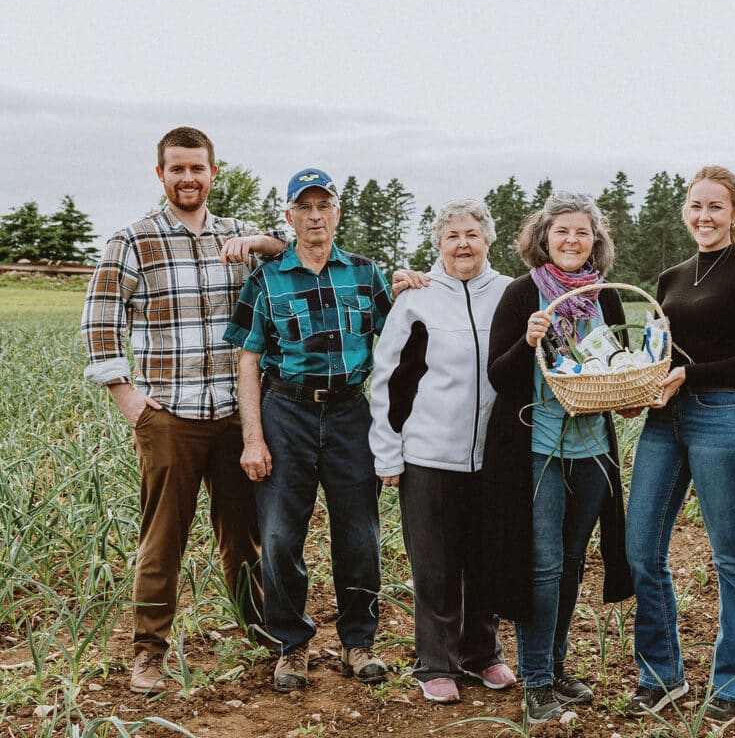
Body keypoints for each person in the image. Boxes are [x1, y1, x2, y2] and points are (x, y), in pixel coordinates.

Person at [81, 126, 286, 694]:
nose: (188, 178)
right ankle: (148, 651)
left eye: (198, 168)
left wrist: (262, 245)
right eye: (177, 169)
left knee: (242, 536)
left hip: (236, 416)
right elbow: (100, 321)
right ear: (161, 174)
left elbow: (292, 251)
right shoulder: (134, 241)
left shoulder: (238, 233)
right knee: (162, 538)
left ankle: (260, 632)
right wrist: (129, 400)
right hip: (169, 413)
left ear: (213, 172)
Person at [623, 166, 735, 721]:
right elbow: (658, 352)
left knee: (731, 557)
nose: (704, 217)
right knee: (640, 548)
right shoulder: (669, 277)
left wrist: (692, 376)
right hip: (664, 420)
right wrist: (638, 386)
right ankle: (662, 677)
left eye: (716, 207)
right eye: (696, 206)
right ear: (685, 211)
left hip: (720, 416)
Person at [223, 168, 391, 692]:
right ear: (290, 216)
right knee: (278, 535)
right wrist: (253, 437)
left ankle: (358, 641)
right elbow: (247, 359)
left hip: (350, 412)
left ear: (337, 213)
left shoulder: (366, 274)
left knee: (360, 533)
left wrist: (395, 430)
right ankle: (290, 646)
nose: (315, 216)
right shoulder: (268, 277)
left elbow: (400, 346)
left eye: (324, 206)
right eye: (305, 207)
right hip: (286, 412)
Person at [481, 191, 633, 725]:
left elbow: (618, 367)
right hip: (538, 450)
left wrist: (633, 389)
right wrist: (527, 343)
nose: (572, 240)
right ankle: (537, 680)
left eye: (583, 232)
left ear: (597, 241)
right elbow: (499, 376)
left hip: (592, 452)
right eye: (562, 231)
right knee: (541, 566)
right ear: (543, 238)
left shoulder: (605, 297)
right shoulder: (524, 294)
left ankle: (557, 664)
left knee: (571, 562)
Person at [368, 198, 516, 703]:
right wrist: (387, 452)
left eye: (472, 234)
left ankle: (483, 653)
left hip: (492, 456)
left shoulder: (511, 295)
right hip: (428, 454)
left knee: (486, 557)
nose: (462, 244)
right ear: (438, 245)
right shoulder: (417, 299)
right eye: (452, 236)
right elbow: (388, 379)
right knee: (435, 562)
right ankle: (435, 661)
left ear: (488, 240)